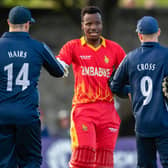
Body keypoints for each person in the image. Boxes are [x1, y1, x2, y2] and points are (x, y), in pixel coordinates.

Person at [56, 6, 126, 168]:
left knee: (105, 161)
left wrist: (128, 91)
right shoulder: (73, 46)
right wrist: (54, 64)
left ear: (101, 25)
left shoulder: (115, 49)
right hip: (84, 109)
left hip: (108, 110)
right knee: (83, 154)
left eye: (97, 23)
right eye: (88, 24)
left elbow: (128, 76)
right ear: (82, 25)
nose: (93, 27)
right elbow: (58, 65)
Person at [0, 6, 65, 168]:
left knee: (4, 161)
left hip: (2, 113)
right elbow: (58, 71)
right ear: (28, 24)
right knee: (31, 160)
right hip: (27, 114)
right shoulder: (38, 47)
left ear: (8, 22)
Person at [109, 16, 168, 168]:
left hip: (142, 124)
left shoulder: (130, 58)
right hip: (164, 122)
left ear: (139, 35)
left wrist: (130, 90)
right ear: (158, 32)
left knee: (145, 165)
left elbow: (114, 85)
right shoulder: (166, 55)